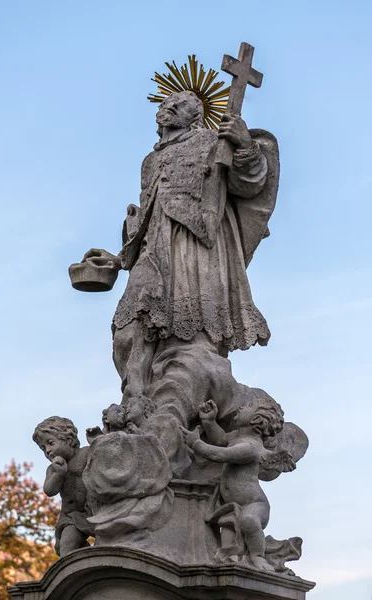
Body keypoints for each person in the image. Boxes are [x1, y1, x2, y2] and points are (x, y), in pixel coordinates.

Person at [78, 89, 279, 454]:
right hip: (154, 250)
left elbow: (248, 184)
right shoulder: (149, 162)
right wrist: (119, 259)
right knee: (127, 327)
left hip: (197, 249)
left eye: (180, 104)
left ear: (196, 115)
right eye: (164, 103)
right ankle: (135, 398)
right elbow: (148, 218)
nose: (168, 107)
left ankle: (160, 408)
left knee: (188, 339)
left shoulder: (211, 142)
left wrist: (243, 145)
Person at [181, 397, 295, 570]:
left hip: (255, 504)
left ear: (256, 419)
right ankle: (233, 559)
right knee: (228, 544)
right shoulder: (236, 437)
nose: (242, 406)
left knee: (248, 520)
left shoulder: (250, 448)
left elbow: (220, 455)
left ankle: (258, 556)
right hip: (231, 505)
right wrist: (209, 421)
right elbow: (220, 440)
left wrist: (196, 443)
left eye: (248, 406)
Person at [33, 416, 95, 556]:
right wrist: (58, 474)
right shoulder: (53, 469)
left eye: (50, 443)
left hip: (93, 510)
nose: (47, 450)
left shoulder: (86, 453)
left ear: (68, 439)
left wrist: (98, 439)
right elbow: (49, 490)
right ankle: (77, 573)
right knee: (65, 546)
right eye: (43, 448)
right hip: (71, 516)